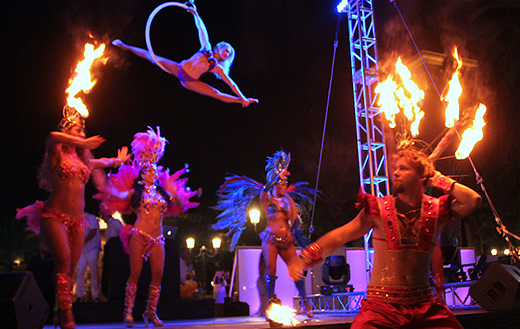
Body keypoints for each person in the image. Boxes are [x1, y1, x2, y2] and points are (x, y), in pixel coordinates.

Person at [288, 147, 482, 328]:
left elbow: (473, 200)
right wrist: (305, 258)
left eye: (403, 168)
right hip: (381, 308)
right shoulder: (379, 209)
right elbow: (340, 236)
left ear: (422, 176)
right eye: (395, 168)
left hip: (424, 305)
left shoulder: (437, 210)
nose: (395, 172)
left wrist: (439, 179)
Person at [16, 106, 129, 329]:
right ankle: (67, 315)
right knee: (63, 260)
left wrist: (117, 161)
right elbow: (51, 136)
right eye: (77, 130)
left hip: (78, 221)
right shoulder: (56, 152)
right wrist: (84, 143)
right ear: (67, 132)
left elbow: (103, 162)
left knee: (71, 269)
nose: (81, 134)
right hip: (54, 216)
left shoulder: (83, 161)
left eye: (82, 131)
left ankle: (60, 309)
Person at [94, 127, 199, 327]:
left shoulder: (163, 193)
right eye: (148, 170)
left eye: (154, 169)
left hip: (158, 238)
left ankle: (150, 312)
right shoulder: (136, 193)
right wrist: (101, 179)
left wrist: (178, 195)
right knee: (135, 273)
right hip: (139, 236)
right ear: (142, 176)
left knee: (158, 274)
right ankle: (128, 312)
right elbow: (115, 193)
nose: (152, 171)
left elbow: (179, 203)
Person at [213, 150, 317, 318]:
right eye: (281, 183)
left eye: (285, 183)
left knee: (296, 270)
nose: (283, 186)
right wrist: (277, 175)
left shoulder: (288, 200)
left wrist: (294, 232)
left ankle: (306, 303)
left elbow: (295, 219)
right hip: (270, 239)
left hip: (286, 240)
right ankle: (270, 303)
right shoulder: (265, 198)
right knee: (271, 270)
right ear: (274, 183)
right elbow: (265, 187)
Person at [112, 4, 258, 107]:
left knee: (216, 93)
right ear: (219, 47)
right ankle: (124, 46)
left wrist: (243, 98)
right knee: (152, 57)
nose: (227, 53)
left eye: (229, 54)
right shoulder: (206, 48)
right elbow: (201, 28)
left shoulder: (217, 68)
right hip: (179, 68)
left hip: (190, 81)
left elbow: (231, 84)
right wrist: (195, 12)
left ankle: (242, 102)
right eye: (227, 49)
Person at [75, 212, 102, 302]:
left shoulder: (91, 217)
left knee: (93, 270)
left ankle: (96, 295)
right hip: (82, 249)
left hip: (92, 247)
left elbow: (93, 231)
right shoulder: (76, 220)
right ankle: (79, 295)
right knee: (80, 271)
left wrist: (82, 241)